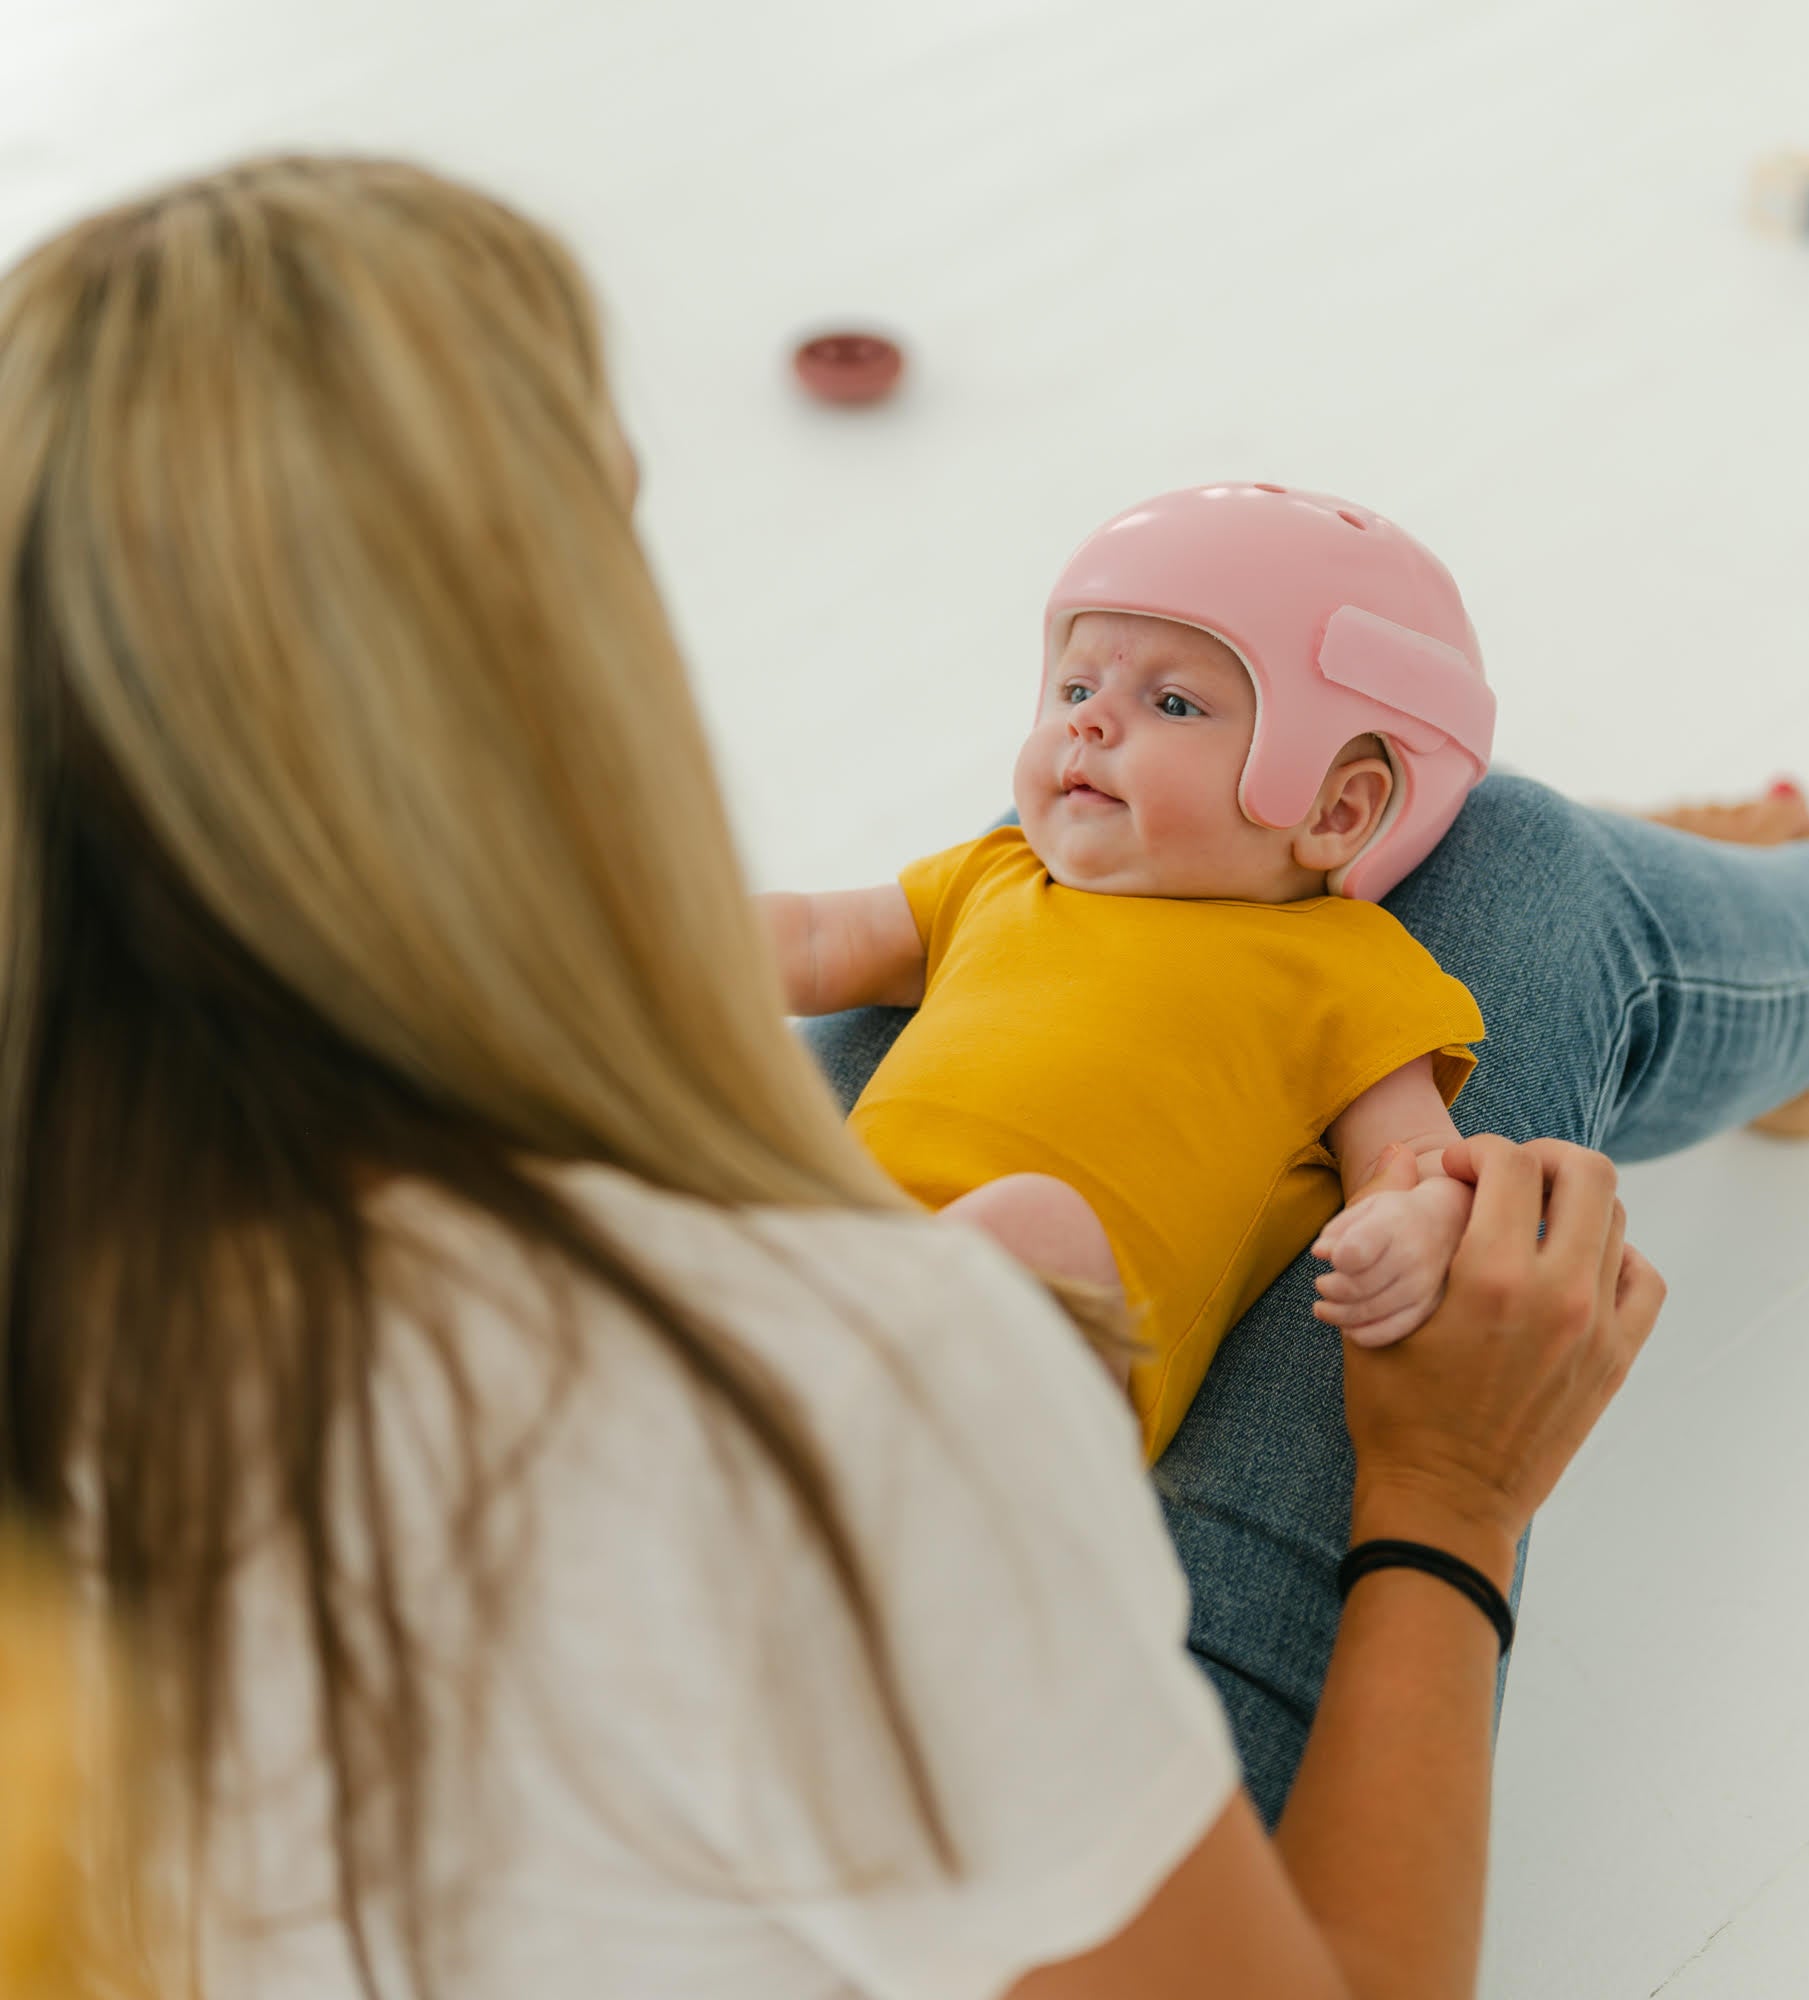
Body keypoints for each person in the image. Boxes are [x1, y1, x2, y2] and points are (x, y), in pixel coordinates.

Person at [0, 152, 1802, 2000]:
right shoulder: (823, 1399)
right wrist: (1448, 1490)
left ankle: (1364, 899)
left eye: (1161, 694)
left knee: (1056, 889)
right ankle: (1659, 923)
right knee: (1508, 876)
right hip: (960, 1480)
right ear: (528, 678)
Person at [763, 484, 1501, 1462]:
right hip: (828, 1284)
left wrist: (1412, 1229)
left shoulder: (1344, 967)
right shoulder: (997, 873)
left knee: (1035, 1229)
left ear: (1336, 811)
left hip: (1033, 1383)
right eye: (1075, 689)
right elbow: (816, 938)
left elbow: (1409, 1158)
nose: (1089, 723)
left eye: (1172, 701)